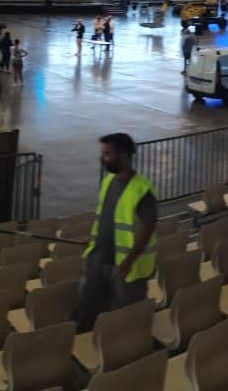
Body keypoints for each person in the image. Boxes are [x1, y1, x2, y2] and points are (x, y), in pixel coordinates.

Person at [73, 133, 157, 331]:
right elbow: (105, 218)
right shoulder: (108, 182)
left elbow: (148, 227)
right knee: (86, 307)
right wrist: (93, 239)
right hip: (99, 259)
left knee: (128, 315)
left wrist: (128, 261)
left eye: (107, 153)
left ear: (124, 155)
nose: (102, 157)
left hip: (124, 266)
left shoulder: (141, 190)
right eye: (102, 153)